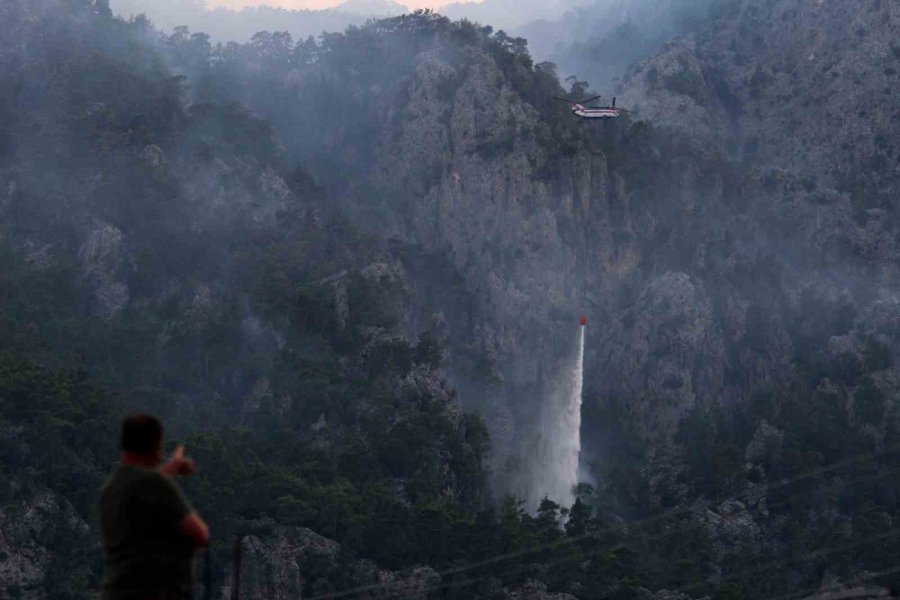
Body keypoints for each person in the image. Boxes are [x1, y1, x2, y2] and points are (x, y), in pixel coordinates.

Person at [99, 414, 210, 600]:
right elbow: (200, 535)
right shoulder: (154, 484)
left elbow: (139, 487)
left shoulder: (111, 489)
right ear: (156, 446)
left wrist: (171, 468)